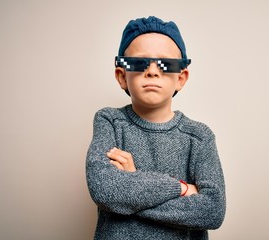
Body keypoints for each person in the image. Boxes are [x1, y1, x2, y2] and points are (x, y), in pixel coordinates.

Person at [86, 16, 226, 240]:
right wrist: (181, 188)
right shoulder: (109, 121)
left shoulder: (199, 137)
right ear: (122, 76)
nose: (152, 71)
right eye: (139, 62)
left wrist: (133, 182)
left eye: (166, 64)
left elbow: (212, 211)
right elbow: (105, 190)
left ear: (181, 78)